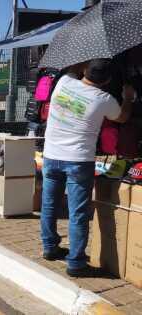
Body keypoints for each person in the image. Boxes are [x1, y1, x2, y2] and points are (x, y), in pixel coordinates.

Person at [41, 59, 136, 277]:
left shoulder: (64, 82)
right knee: (78, 213)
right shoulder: (104, 99)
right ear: (108, 80)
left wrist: (84, 62)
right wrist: (128, 98)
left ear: (84, 69)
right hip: (78, 160)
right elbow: (122, 117)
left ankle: (49, 248)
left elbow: (74, 69)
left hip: (51, 156)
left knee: (49, 205)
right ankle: (75, 263)